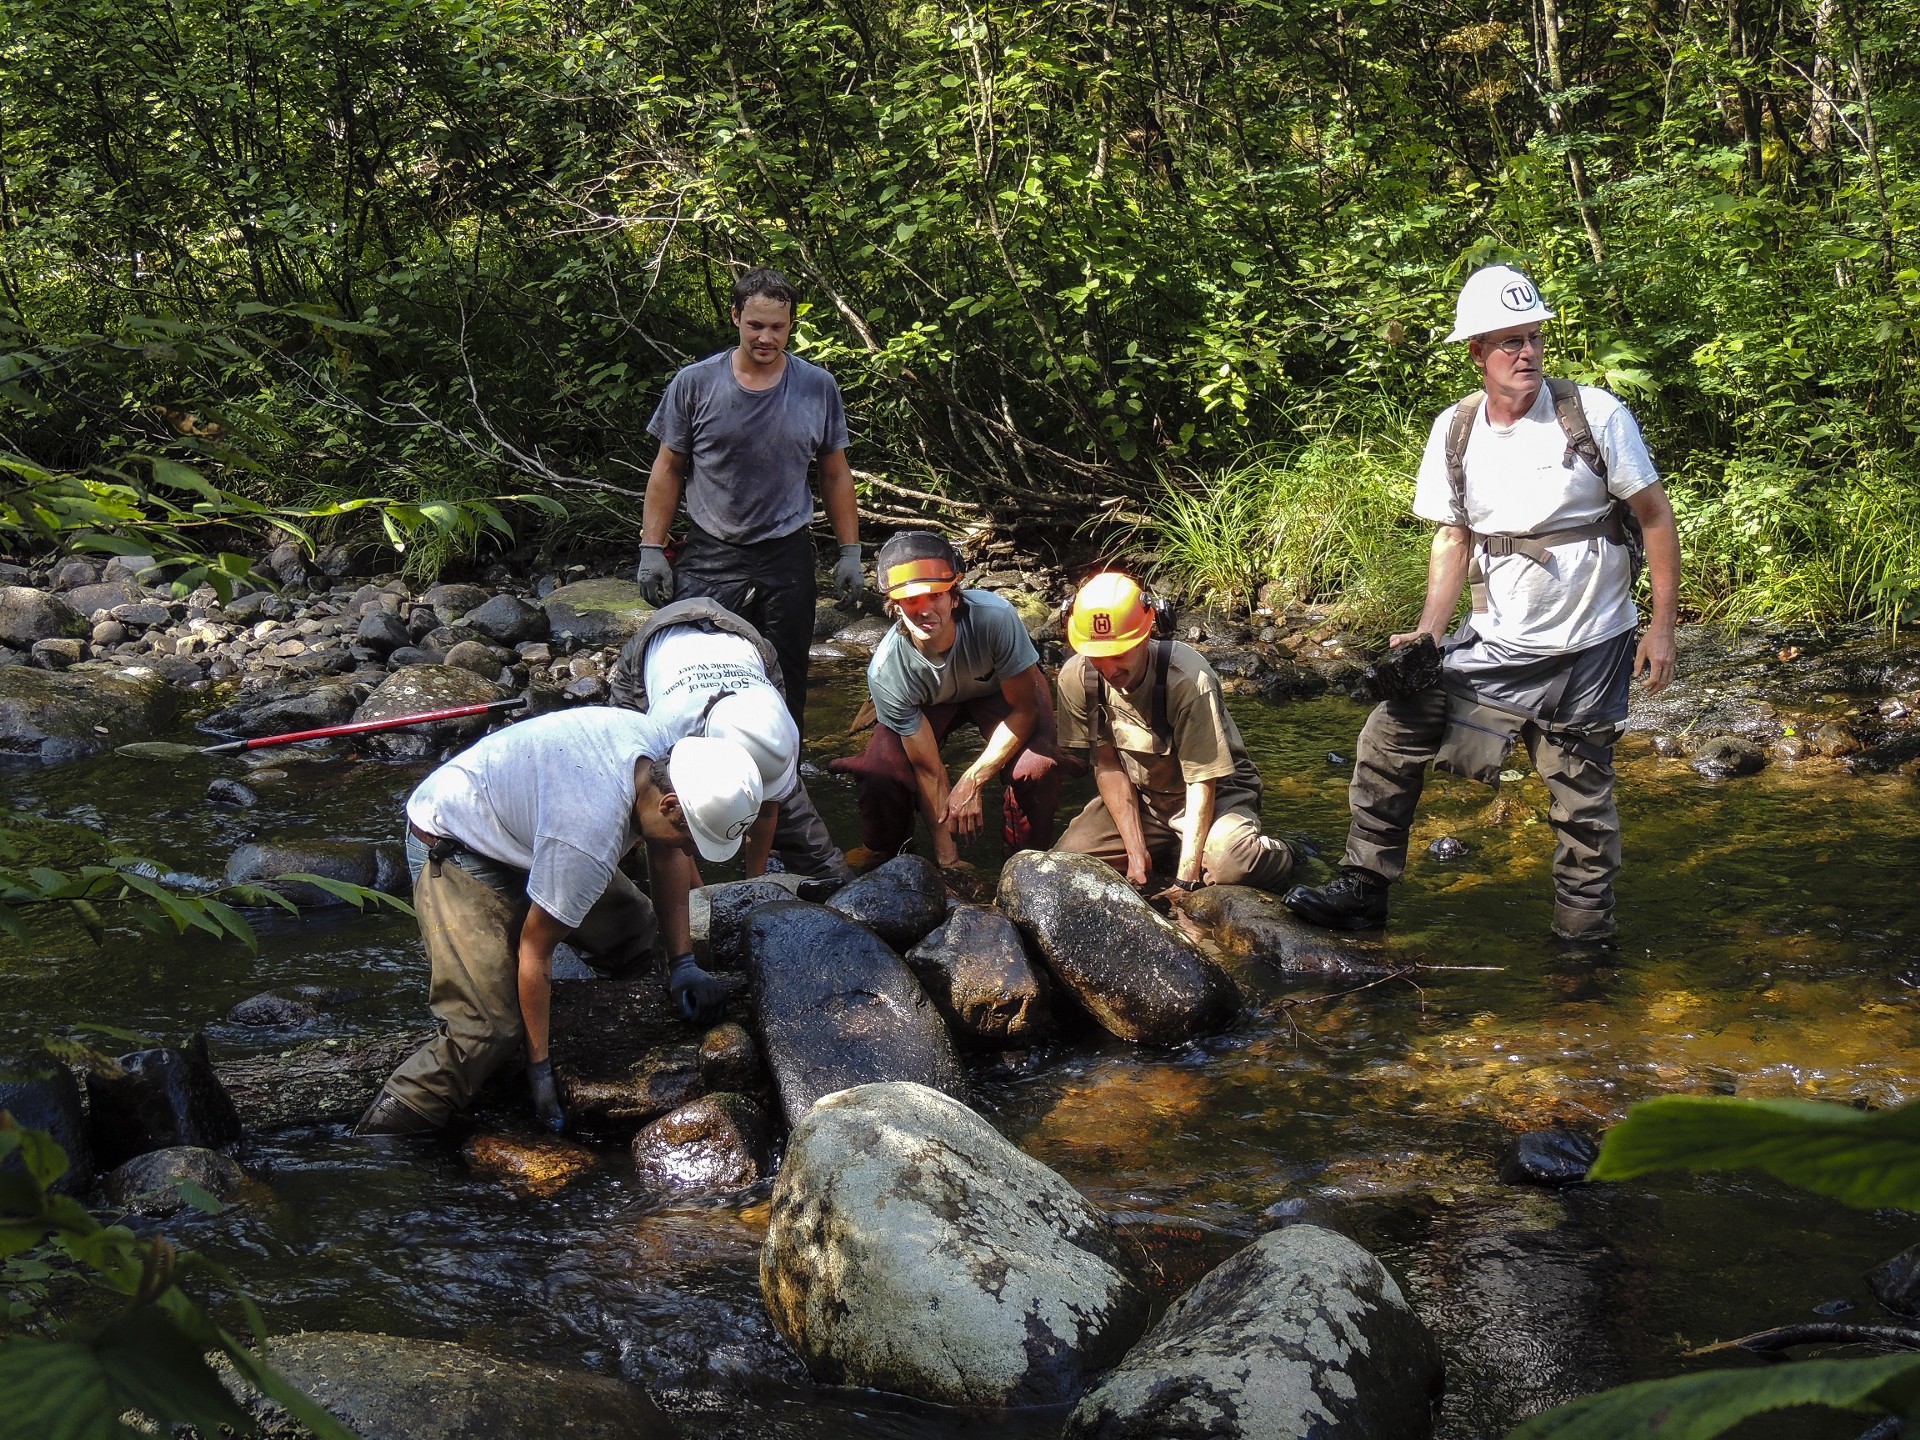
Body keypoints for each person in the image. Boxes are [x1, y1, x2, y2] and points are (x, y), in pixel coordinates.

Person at [1283, 263, 1680, 939]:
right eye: (1508, 342)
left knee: (1581, 807)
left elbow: (1655, 517)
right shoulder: (1456, 429)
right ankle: (1365, 887)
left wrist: (1662, 628)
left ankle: (1583, 949)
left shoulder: (1594, 415)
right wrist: (1431, 632)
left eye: (1534, 338)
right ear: (1477, 353)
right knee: (1392, 727)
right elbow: (1453, 536)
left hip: (1589, 651)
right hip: (1495, 645)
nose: (1526, 353)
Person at [354, 709, 763, 1137]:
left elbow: (668, 850)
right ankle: (379, 1140)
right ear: (670, 805)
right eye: (693, 838)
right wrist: (541, 1070)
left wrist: (682, 963)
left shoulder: (670, 757)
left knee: (637, 931)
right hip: (456, 842)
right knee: (487, 1029)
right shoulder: (588, 837)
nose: (691, 852)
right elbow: (536, 949)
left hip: (531, 822)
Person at [635, 266, 863, 734]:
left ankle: (786, 783)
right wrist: (651, 550)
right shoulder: (695, 383)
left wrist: (851, 553)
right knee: (696, 673)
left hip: (787, 549)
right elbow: (668, 467)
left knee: (787, 678)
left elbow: (835, 472)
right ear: (736, 317)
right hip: (712, 549)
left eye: (777, 327)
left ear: (791, 325)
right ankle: (693, 779)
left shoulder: (817, 386)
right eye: (755, 325)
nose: (766, 337)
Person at [829, 531, 1073, 869]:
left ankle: (1025, 863)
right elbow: (929, 770)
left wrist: (972, 779)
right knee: (880, 770)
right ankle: (888, 851)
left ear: (955, 597)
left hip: (1000, 692)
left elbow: (1025, 709)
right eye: (911, 601)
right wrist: (948, 860)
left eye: (935, 596)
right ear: (895, 607)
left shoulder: (996, 618)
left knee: (1037, 768)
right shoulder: (887, 669)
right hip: (930, 701)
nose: (924, 609)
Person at [1054, 572, 1294, 894]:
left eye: (1120, 654)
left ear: (1145, 635)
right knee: (1069, 861)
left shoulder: (1188, 679)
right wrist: (1136, 856)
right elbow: (1108, 765)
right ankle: (1162, 849)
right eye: (1097, 656)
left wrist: (1185, 881)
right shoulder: (1076, 678)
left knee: (1232, 865)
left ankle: (1288, 852)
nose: (1109, 670)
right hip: (1145, 798)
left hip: (1217, 791)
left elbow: (1202, 780)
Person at [608, 596, 851, 884]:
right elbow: (674, 825)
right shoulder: (670, 731)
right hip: (654, 645)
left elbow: (768, 808)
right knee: (637, 807)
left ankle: (830, 877)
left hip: (747, 643)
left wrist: (754, 885)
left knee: (796, 815)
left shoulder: (779, 729)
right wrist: (700, 897)